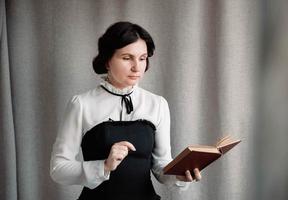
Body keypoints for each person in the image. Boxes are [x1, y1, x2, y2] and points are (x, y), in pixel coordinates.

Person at [50, 21, 201, 200]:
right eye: (127, 58)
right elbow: (58, 168)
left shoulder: (157, 104)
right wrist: (104, 166)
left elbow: (161, 166)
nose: (137, 67)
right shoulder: (82, 104)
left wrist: (179, 175)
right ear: (107, 60)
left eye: (142, 58)